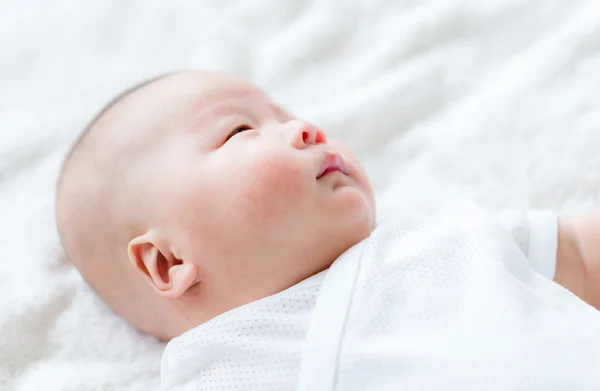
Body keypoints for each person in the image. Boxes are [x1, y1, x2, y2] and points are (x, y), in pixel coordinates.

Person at [55, 70, 600, 390]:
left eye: (287, 114)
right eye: (240, 129)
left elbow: (578, 250)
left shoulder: (436, 245)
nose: (304, 128)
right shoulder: (221, 369)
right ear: (168, 263)